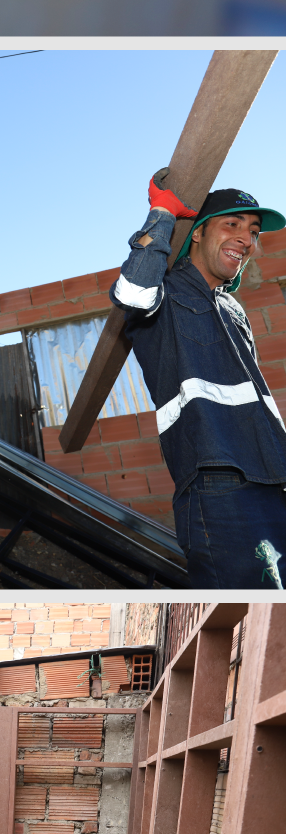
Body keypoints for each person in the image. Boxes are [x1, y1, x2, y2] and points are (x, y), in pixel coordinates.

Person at [112, 176, 286, 586]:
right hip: (219, 481)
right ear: (197, 233)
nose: (246, 239)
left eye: (254, 232)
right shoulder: (165, 295)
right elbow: (132, 293)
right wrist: (162, 214)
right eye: (233, 224)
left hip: (274, 475)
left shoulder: (233, 310)